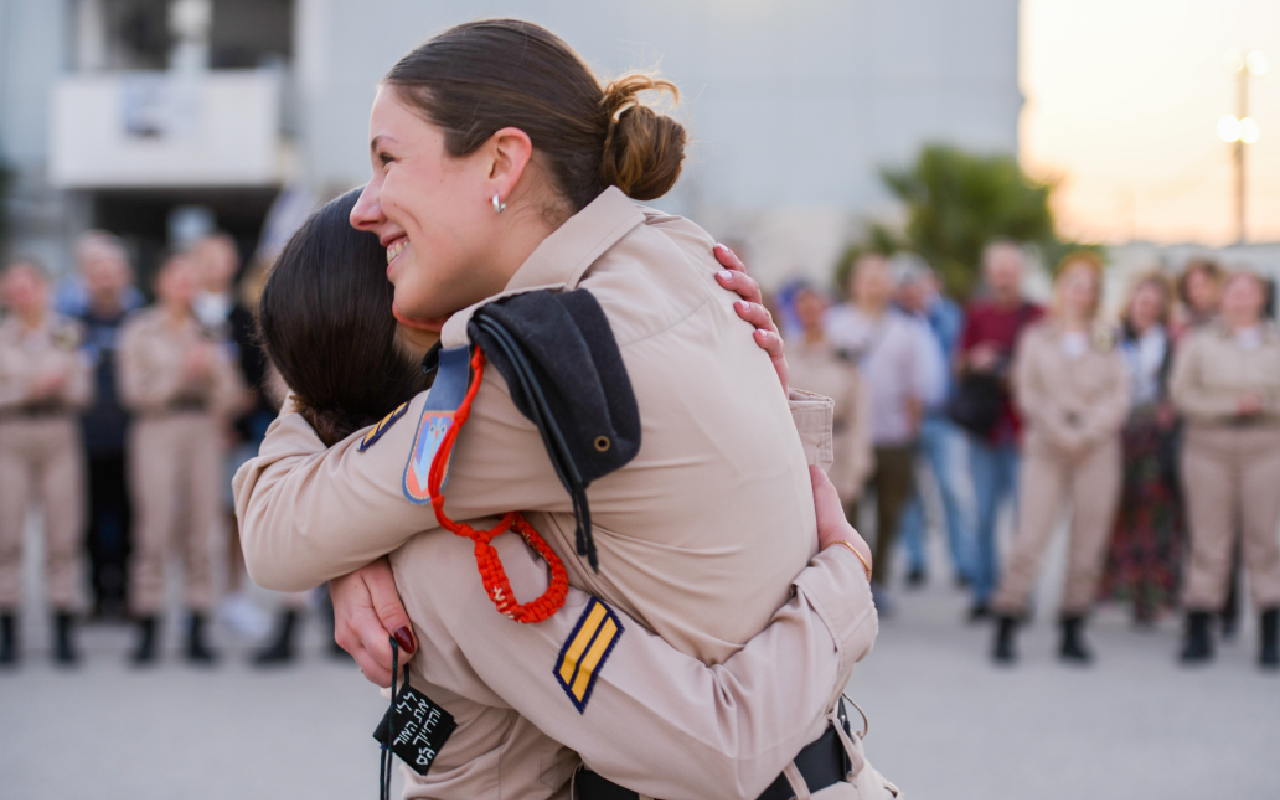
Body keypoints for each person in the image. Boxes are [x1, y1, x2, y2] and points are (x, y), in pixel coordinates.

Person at [238, 19, 887, 796]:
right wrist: (360, 543)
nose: (363, 206)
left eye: (388, 161)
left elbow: (278, 535)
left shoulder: (531, 379)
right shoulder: (677, 250)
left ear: (503, 161)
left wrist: (845, 583)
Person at [988, 252, 1129, 665]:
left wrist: (1087, 432)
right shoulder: (1036, 337)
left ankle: (1072, 625)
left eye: (1088, 285)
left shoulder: (1108, 336)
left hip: (1096, 450)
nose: (1080, 292)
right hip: (1047, 447)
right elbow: (1027, 392)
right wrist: (1059, 430)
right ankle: (1008, 618)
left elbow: (1119, 393)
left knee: (1088, 542)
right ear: (1060, 288)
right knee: (1030, 538)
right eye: (1073, 283)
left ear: (1097, 294)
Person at [118, 254, 245, 665]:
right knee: (153, 527)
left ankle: (197, 630)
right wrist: (180, 375)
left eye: (193, 280)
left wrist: (208, 374)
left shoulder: (210, 330)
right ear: (160, 282)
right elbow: (132, 392)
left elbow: (234, 393)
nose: (186, 286)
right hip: (157, 428)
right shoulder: (140, 328)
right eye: (178, 278)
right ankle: (148, 628)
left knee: (201, 529)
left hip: (203, 430)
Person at [1170, 271, 1280, 669]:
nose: (1240, 298)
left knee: (1263, 541)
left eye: (1249, 291)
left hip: (1265, 446)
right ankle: (1200, 628)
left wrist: (1262, 403)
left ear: (1262, 297)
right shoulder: (1201, 342)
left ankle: (1271, 631)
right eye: (1233, 291)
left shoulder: (1275, 343)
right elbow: (1182, 394)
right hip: (1209, 446)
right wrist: (1230, 406)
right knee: (1208, 540)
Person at [826, 253, 939, 612]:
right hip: (847, 440)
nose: (874, 284)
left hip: (893, 438)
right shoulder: (834, 324)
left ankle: (882, 581)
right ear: (854, 283)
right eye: (867, 277)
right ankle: (851, 582)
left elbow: (917, 387)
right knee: (849, 512)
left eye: (880, 277)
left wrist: (909, 431)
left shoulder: (907, 330)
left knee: (890, 513)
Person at [0, 259, 93, 666]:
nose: (21, 295)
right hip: (11, 436)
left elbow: (83, 388)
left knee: (63, 533)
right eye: (13, 289)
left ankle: (63, 631)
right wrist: (28, 389)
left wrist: (60, 386)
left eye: (28, 287)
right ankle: (8, 632)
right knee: (6, 536)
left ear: (43, 289)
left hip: (58, 434)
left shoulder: (66, 333)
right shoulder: (2, 336)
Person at [189, 232, 278, 646]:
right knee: (193, 521)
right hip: (188, 431)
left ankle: (233, 596)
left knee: (234, 519)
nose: (215, 267)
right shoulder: (181, 313)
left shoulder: (244, 316)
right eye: (208, 258)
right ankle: (196, 604)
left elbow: (259, 374)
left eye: (223, 259)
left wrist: (238, 409)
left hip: (238, 431)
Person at [955, 240, 1043, 620]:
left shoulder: (1040, 315)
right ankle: (984, 591)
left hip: (1025, 430)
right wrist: (977, 360)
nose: (1004, 276)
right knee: (986, 514)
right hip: (986, 429)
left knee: (1026, 520)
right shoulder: (978, 314)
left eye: (1010, 268)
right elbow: (956, 366)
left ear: (1021, 272)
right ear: (989, 274)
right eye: (998, 269)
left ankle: (1020, 591)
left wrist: (1014, 373)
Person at [1098, 273, 1183, 626]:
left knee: (1155, 515)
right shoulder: (1111, 336)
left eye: (1154, 301)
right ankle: (1115, 589)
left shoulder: (1171, 341)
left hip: (1154, 437)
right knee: (1116, 511)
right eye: (1141, 299)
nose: (1147, 306)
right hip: (1115, 430)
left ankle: (1152, 596)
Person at [72, 232, 138, 620]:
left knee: (132, 520)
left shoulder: (140, 321)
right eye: (98, 272)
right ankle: (98, 596)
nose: (106, 279)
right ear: (85, 277)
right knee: (88, 522)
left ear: (126, 275)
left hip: (134, 437)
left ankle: (129, 595)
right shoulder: (71, 326)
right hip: (87, 437)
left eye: (113, 271)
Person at [894, 256, 970, 588]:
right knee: (910, 493)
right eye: (906, 284)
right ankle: (917, 559)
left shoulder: (950, 317)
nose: (913, 291)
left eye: (918, 283)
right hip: (907, 417)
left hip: (944, 416)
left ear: (932, 283)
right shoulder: (892, 321)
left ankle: (963, 561)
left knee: (952, 489)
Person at [788, 284, 872, 521]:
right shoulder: (786, 352)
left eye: (817, 306)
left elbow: (859, 412)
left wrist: (858, 464)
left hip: (837, 450)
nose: (811, 313)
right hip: (798, 450)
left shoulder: (846, 354)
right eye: (804, 307)